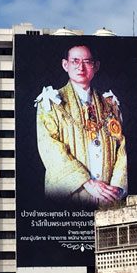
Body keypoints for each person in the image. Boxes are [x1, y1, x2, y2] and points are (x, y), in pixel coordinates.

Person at [35, 44, 128, 206]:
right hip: (72, 197)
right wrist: (86, 182)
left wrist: (116, 188)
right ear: (65, 65)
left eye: (87, 62)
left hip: (108, 197)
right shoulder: (50, 103)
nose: (81, 67)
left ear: (96, 66)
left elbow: (123, 148)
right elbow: (50, 148)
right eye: (75, 61)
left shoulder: (110, 105)